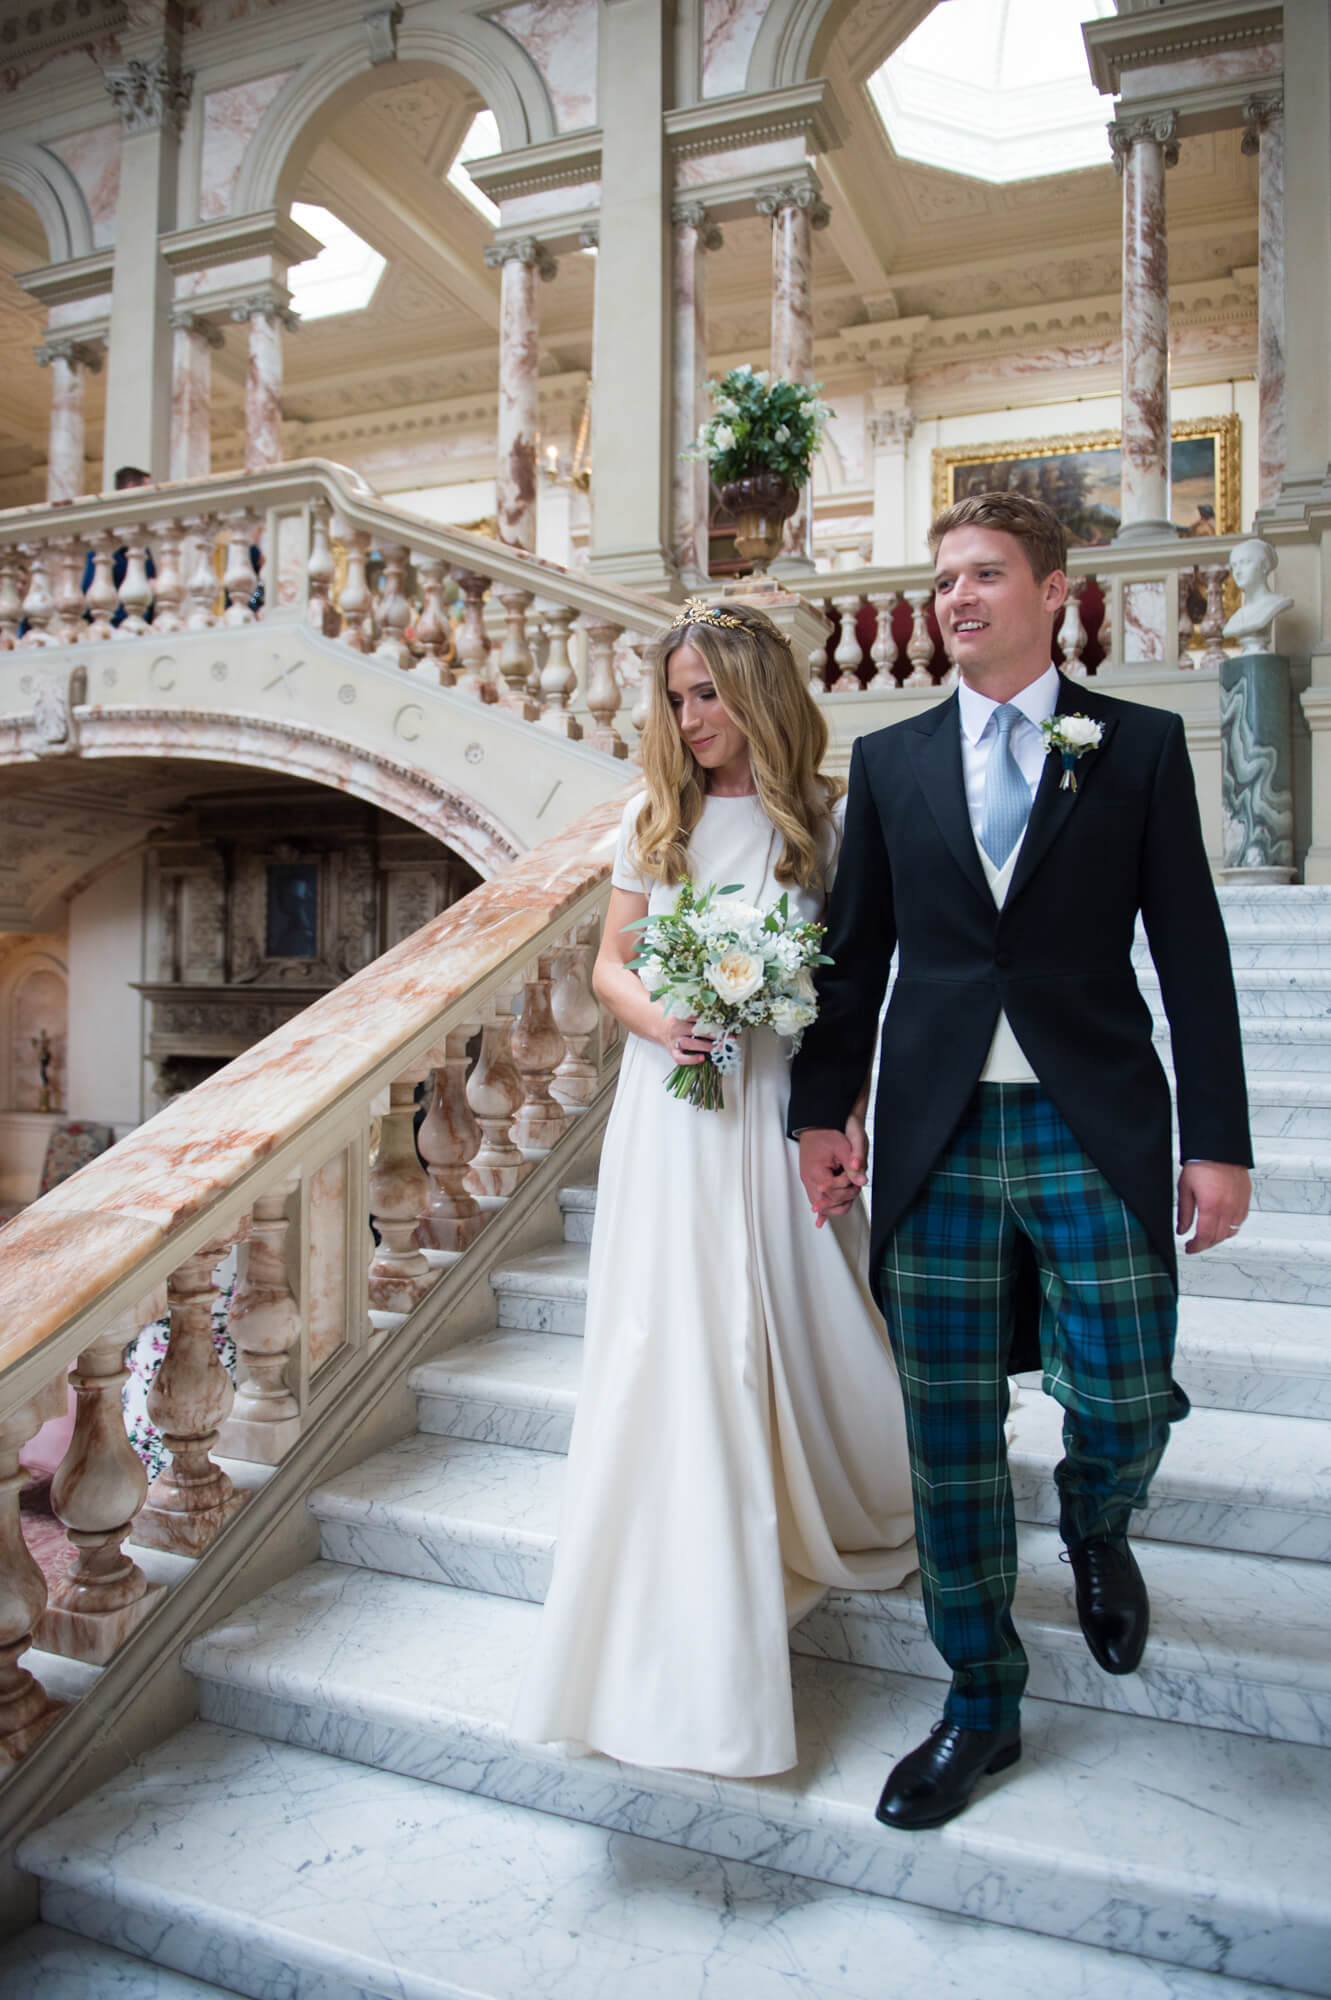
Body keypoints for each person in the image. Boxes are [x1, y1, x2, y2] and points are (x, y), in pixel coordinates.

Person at [789, 491, 1251, 1830]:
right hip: (931, 1133)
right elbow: (849, 957)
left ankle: (1097, 1520)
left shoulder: (1138, 747)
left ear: (1055, 593)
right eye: (943, 577)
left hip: (1086, 1118)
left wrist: (1212, 1138)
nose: (954, 595)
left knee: (1119, 1392)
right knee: (944, 1434)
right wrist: (823, 1111)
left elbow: (1190, 958)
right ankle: (978, 1702)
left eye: (984, 573)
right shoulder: (889, 763)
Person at [512, 599, 917, 1777]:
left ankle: (833, 1495)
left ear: (756, 689)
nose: (692, 716)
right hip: (675, 1110)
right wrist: (665, 1015)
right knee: (682, 1329)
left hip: (778, 1104)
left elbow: (850, 993)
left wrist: (841, 1115)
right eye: (678, 696)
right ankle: (687, 1553)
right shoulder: (656, 817)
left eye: (709, 692)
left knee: (800, 1304)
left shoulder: (825, 827)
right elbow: (607, 966)